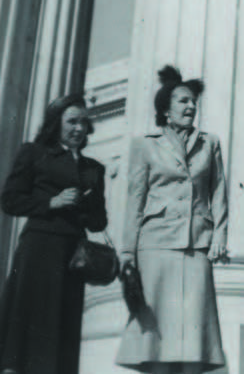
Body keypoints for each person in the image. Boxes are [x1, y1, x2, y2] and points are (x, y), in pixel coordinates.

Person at [117, 66, 228, 374]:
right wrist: (127, 254)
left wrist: (220, 236)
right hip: (154, 246)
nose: (191, 107)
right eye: (183, 101)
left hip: (196, 245)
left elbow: (219, 193)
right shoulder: (145, 144)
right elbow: (134, 202)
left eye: (193, 101)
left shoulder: (210, 143)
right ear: (165, 109)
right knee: (155, 338)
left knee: (195, 338)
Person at [0, 93, 108, 374]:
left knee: (64, 329)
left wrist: (87, 205)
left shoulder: (94, 168)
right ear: (56, 123)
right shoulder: (34, 153)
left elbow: (99, 222)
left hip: (73, 257)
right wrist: (51, 203)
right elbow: (10, 200)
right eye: (72, 121)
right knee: (30, 326)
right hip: (39, 249)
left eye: (84, 123)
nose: (79, 129)